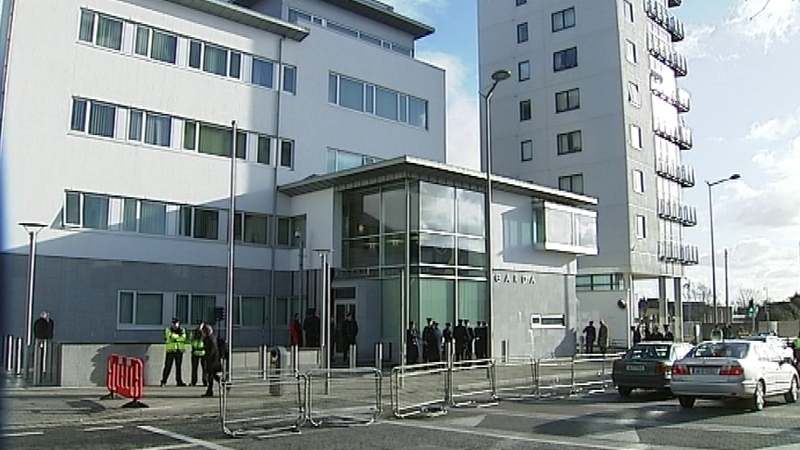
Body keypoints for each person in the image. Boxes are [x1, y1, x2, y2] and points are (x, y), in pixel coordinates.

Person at [161, 318, 187, 387]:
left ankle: (179, 381)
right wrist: (178, 337)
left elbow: (183, 338)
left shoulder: (182, 330)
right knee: (168, 366)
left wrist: (175, 337)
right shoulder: (168, 330)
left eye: (177, 323)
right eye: (174, 324)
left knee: (178, 367)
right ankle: (163, 381)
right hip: (171, 350)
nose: (175, 325)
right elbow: (169, 337)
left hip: (179, 350)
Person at [200, 324, 223, 397]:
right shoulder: (211, 337)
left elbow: (210, 351)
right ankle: (211, 390)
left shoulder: (210, 339)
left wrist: (206, 358)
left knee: (211, 375)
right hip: (214, 360)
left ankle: (222, 383)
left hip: (212, 360)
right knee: (212, 375)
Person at [189, 320, 206, 387]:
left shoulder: (205, 332)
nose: (199, 326)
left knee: (204, 368)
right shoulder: (194, 332)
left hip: (203, 352)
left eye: (201, 324)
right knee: (194, 368)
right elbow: (190, 340)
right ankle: (193, 382)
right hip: (195, 352)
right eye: (198, 324)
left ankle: (205, 381)